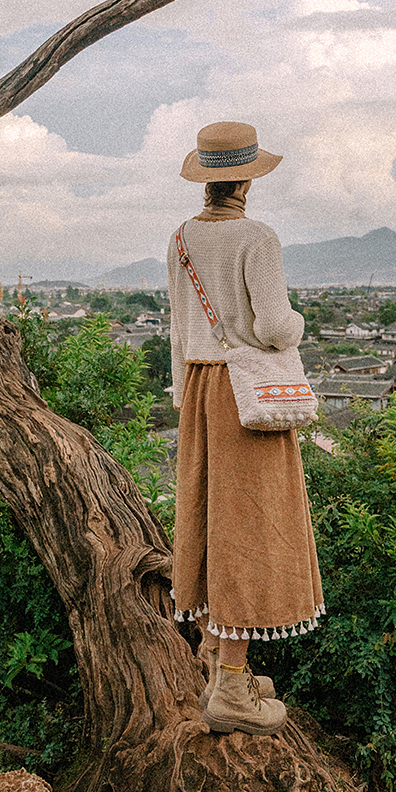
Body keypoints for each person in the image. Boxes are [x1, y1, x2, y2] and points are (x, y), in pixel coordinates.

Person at [167, 121, 325, 736]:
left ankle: (218, 658)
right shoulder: (257, 238)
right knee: (250, 526)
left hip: (201, 390)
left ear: (206, 177)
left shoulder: (181, 239)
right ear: (248, 180)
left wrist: (186, 398)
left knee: (210, 518)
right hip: (245, 395)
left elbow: (180, 331)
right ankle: (232, 687)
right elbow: (274, 327)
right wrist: (299, 325)